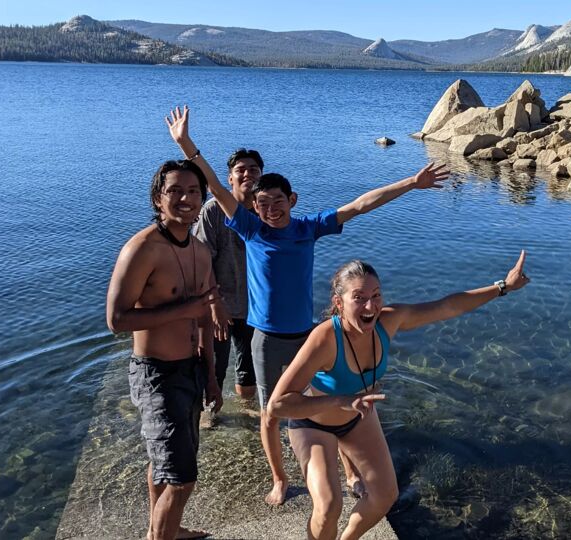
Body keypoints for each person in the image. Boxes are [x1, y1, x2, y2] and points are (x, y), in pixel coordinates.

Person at [165, 105, 450, 506]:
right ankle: (279, 478)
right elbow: (214, 186)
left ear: (292, 200)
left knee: (332, 407)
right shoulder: (250, 228)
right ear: (256, 207)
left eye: (278, 201)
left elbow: (360, 204)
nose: (270, 208)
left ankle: (350, 470)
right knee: (271, 412)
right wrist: (187, 146)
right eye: (262, 203)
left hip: (310, 338)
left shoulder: (308, 228)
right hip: (266, 337)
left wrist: (411, 182)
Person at [267, 255, 530, 540]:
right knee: (329, 505)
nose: (371, 306)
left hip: (358, 418)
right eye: (359, 297)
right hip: (313, 425)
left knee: (384, 496)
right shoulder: (325, 338)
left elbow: (447, 306)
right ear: (339, 303)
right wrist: (337, 401)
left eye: (376, 295)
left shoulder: (388, 321)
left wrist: (503, 286)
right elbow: (278, 404)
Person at [106, 159, 224, 540]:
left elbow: (205, 318)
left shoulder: (201, 252)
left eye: (193, 191)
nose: (186, 198)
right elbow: (117, 319)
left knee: (166, 466)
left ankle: (161, 530)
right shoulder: (142, 249)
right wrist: (185, 309)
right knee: (182, 479)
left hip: (190, 369)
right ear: (158, 198)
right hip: (155, 375)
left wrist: (210, 376)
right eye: (175, 191)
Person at [195, 148, 264, 403]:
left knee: (248, 372)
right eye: (241, 170)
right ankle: (208, 417)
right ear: (230, 179)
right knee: (213, 368)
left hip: (253, 309)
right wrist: (214, 304)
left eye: (254, 170)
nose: (248, 174)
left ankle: (246, 416)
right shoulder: (213, 211)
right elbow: (202, 262)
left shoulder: (266, 211)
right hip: (218, 305)